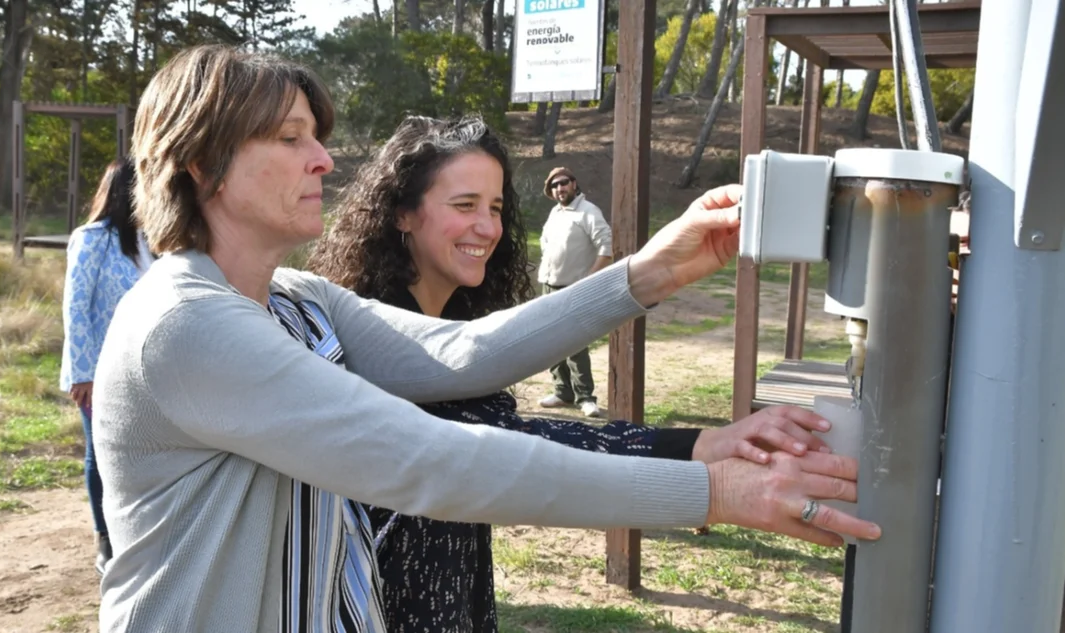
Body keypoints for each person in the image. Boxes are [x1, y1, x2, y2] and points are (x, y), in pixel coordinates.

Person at [92, 44, 880, 633]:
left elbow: (462, 355)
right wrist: (715, 491)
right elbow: (431, 458)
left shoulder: (295, 300)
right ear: (203, 162)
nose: (324, 159)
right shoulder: (182, 323)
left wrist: (654, 270)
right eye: (290, 138)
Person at [312, 114, 849, 632]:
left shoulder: (452, 313)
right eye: (464, 204)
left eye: (496, 207)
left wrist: (707, 443)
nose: (488, 226)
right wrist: (707, 461)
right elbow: (515, 447)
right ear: (402, 213)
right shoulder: (364, 337)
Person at [58, 157, 152, 576]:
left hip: (144, 370)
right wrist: (82, 373)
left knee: (141, 452)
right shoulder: (91, 238)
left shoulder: (153, 241)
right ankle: (105, 537)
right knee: (101, 453)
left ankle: (136, 529)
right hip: (98, 372)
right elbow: (75, 307)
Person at [536, 166, 612, 417]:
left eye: (564, 182)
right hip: (549, 286)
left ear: (574, 183)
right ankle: (562, 392)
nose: (560, 188)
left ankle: (585, 397)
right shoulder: (555, 213)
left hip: (574, 288)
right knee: (552, 342)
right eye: (555, 186)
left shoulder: (588, 212)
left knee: (575, 343)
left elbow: (607, 248)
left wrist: (589, 280)